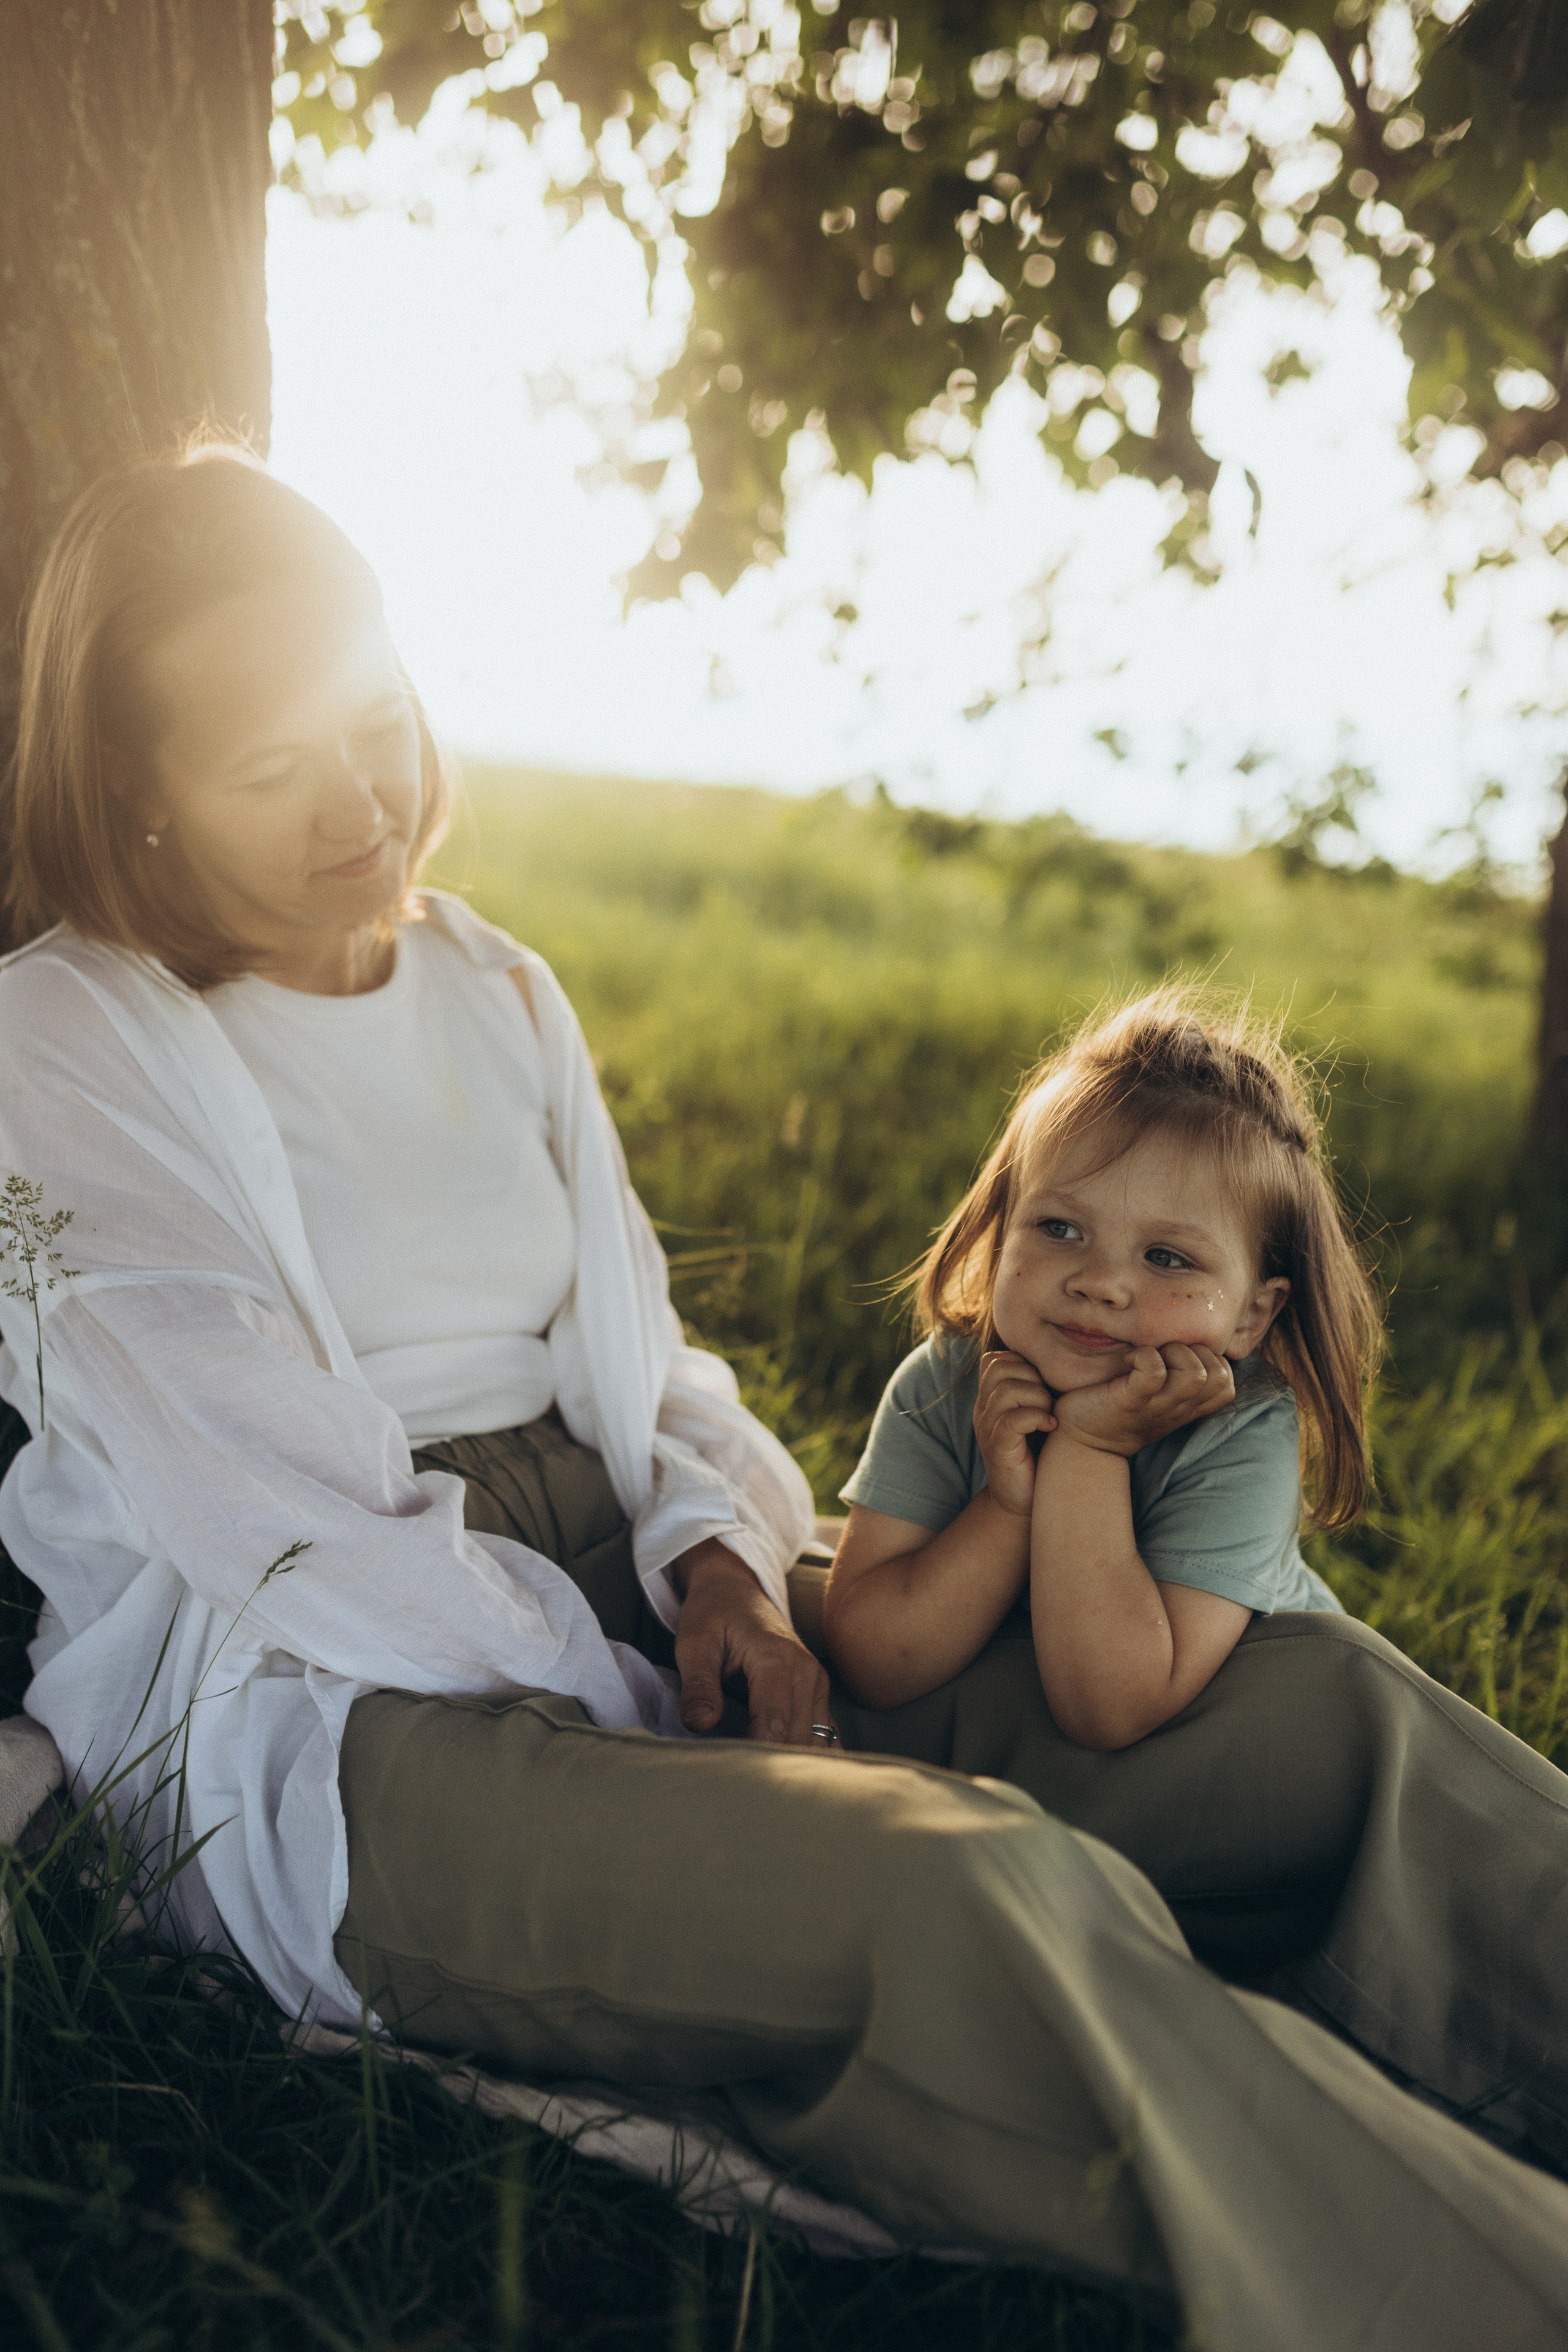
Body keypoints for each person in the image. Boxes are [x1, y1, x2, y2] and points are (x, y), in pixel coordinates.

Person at [4, 446, 1568, 2352]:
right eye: (269, 769)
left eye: (375, 715)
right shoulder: (58, 1040)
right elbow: (268, 1500)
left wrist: (729, 1572)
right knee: (965, 1892)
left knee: (1323, 1716)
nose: (362, 802)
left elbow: (644, 1362)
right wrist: (636, 1708)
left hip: (633, 1577)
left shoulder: (493, 982)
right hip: (358, 1700)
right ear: (132, 798)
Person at [824, 994, 1373, 1747]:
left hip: (1258, 1749)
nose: (1100, 1283)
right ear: (999, 1233)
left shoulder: (1243, 1429)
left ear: (1253, 1314)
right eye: (1059, 1228)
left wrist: (1089, 1450)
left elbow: (1110, 1708)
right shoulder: (949, 1381)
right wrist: (1005, 1509)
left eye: (1165, 1257)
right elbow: (873, 1665)